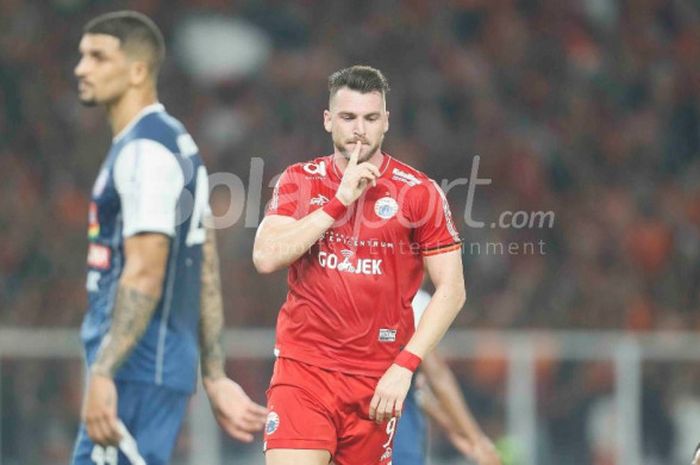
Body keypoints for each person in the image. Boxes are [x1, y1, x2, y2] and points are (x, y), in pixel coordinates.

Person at [70, 11, 266, 465]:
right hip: (149, 370)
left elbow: (146, 271)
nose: (82, 68)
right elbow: (205, 264)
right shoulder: (177, 144)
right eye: (82, 55)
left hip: (136, 370)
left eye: (98, 56)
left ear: (138, 70)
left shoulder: (145, 152)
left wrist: (103, 372)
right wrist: (214, 374)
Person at [253, 65, 466, 465]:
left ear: (386, 122)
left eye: (371, 118)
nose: (359, 130)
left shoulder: (419, 192)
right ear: (328, 120)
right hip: (305, 371)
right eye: (348, 117)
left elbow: (452, 289)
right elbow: (266, 257)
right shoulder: (300, 181)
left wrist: (406, 365)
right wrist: (337, 202)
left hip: (377, 379)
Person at [393, 289, 501, 465]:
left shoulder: (383, 287)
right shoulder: (414, 299)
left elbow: (417, 390)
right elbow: (437, 375)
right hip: (397, 426)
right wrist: (477, 441)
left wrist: (452, 427)